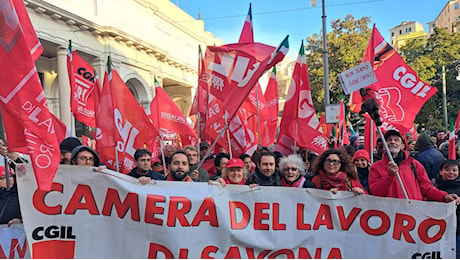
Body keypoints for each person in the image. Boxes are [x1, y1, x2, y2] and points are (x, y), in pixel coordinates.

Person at [369, 130, 459, 202]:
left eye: (396, 140)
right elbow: (376, 193)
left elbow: (426, 188)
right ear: (384, 146)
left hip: (412, 216)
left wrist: (444, 196)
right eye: (389, 140)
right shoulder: (376, 167)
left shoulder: (414, 165)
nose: (392, 142)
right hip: (390, 217)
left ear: (402, 146)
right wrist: (389, 176)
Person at [431, 160, 460, 258]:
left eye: (454, 170)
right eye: (447, 170)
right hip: (436, 228)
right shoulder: (433, 185)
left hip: (457, 229)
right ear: (440, 171)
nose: (451, 172)